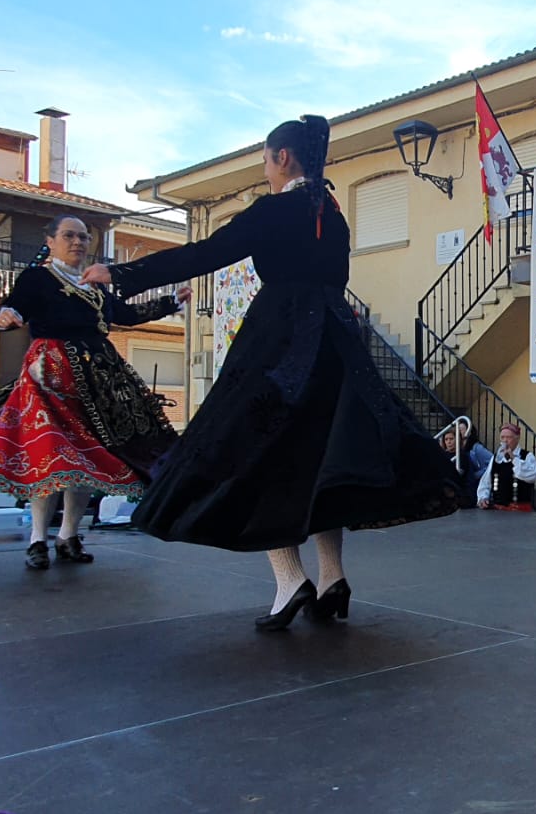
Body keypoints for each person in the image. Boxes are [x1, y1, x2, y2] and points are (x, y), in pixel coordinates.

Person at [82, 114, 458, 629]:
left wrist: (123, 272)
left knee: (256, 455)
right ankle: (332, 578)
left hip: (281, 338)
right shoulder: (332, 212)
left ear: (282, 157)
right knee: (322, 459)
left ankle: (290, 580)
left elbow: (208, 253)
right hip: (335, 339)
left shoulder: (275, 209)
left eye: (265, 160)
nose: (266, 170)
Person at [0, 215, 180, 571]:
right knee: (50, 454)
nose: (78, 242)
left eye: (83, 237)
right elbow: (13, 308)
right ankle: (37, 539)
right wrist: (5, 318)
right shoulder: (38, 278)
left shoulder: (95, 286)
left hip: (98, 380)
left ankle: (68, 535)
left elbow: (125, 314)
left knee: (88, 460)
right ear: (51, 240)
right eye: (70, 236)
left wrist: (170, 303)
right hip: (51, 376)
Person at [477, 424, 536, 512]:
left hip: (521, 511)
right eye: (502, 437)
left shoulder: (527, 456)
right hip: (498, 511)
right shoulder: (496, 458)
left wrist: (513, 458)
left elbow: (532, 476)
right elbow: (486, 481)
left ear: (517, 438)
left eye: (509, 437)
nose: (505, 441)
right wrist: (483, 498)